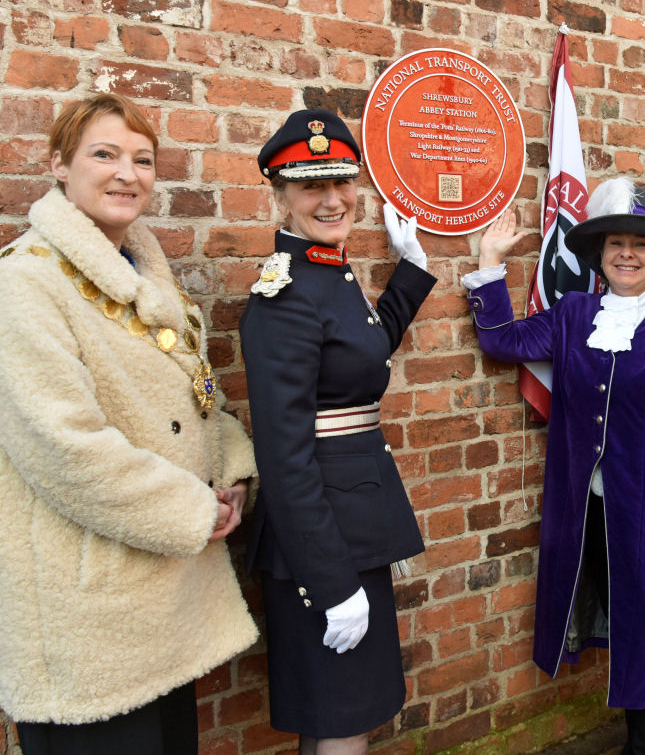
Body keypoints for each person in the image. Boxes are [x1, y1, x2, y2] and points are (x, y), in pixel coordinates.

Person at [0, 93, 258, 752]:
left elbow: (204, 401)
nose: (128, 173)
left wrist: (229, 479)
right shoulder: (26, 285)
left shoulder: (147, 279)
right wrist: (190, 510)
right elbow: (64, 447)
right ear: (60, 164)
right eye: (104, 154)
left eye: (143, 159)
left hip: (162, 612)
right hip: (91, 628)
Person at [462, 180, 645, 755]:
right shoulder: (573, 313)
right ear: (600, 253)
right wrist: (489, 264)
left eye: (640, 245)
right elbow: (501, 340)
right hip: (583, 508)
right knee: (602, 613)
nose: (627, 254)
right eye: (615, 243)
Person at [239, 109, 435, 754]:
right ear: (281, 195)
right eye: (310, 187)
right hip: (320, 543)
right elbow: (284, 456)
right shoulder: (285, 294)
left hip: (350, 531)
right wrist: (331, 582)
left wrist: (410, 270)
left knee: (345, 712)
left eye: (342, 182)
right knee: (342, 720)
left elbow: (362, 355)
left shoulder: (330, 274)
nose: (332, 199)